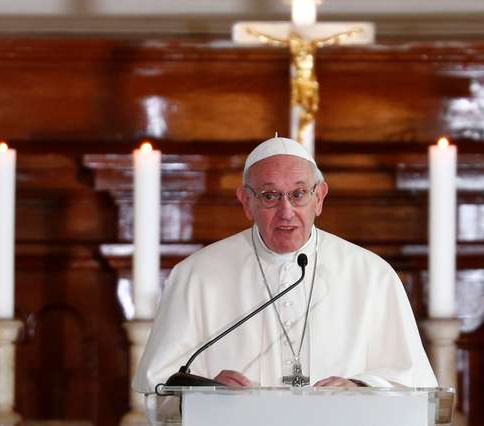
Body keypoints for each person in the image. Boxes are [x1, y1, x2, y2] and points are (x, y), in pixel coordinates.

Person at [133, 136, 437, 391]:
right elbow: (158, 381)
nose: (286, 211)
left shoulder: (372, 275)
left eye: (298, 194)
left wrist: (359, 386)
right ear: (246, 201)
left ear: (320, 197)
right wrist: (206, 389)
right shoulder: (196, 275)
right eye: (269, 196)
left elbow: (413, 382)